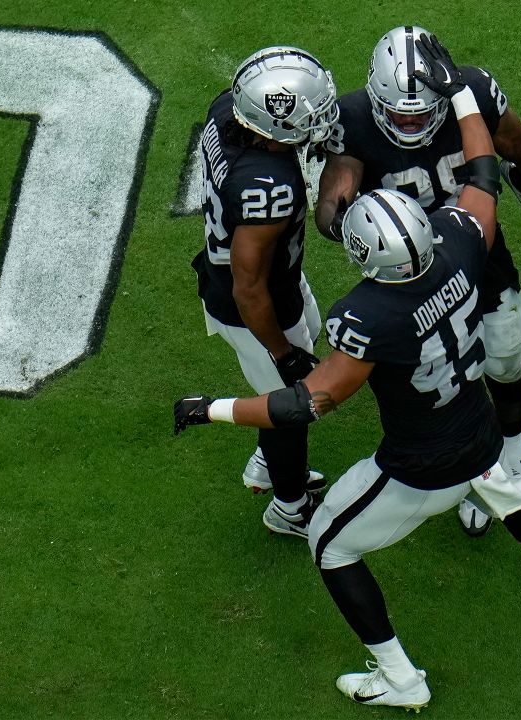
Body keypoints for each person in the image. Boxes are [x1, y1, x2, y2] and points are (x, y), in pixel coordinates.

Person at [175, 35, 521, 710]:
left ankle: (401, 679)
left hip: (420, 464)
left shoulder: (364, 317)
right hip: (475, 427)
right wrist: (461, 98)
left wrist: (210, 408)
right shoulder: (460, 240)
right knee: (502, 478)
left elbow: (309, 401)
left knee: (331, 546)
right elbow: (483, 175)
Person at [315, 25, 521, 537]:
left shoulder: (472, 91)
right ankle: (470, 458)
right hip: (406, 276)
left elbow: (520, 148)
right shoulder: (351, 116)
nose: (409, 122)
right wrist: (334, 215)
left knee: (505, 354)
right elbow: (338, 184)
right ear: (375, 96)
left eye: (420, 112)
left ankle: (512, 440)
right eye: (397, 112)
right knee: (434, 376)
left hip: (476, 251)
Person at [190, 46, 339, 537]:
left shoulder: (225, 112)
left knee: (309, 339)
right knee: (293, 405)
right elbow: (249, 287)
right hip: (256, 303)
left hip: (270, 280)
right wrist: (281, 351)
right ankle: (289, 506)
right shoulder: (267, 185)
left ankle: (264, 460)